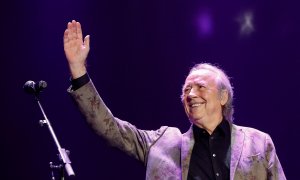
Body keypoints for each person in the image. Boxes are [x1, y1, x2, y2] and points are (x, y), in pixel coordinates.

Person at [64, 20, 286, 180]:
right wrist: (77, 69)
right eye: (186, 90)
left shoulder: (258, 142)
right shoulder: (161, 143)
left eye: (200, 87)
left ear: (223, 96)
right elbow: (110, 129)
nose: (190, 95)